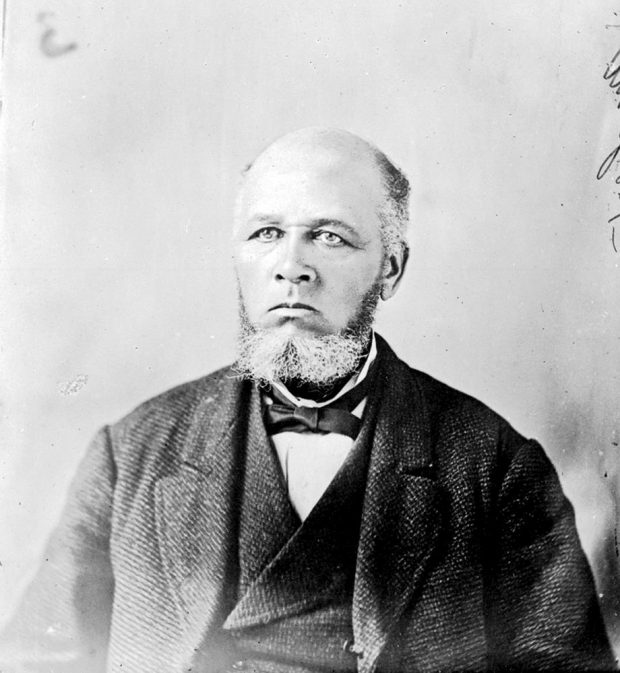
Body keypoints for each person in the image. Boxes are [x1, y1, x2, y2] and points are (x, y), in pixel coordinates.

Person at [0, 127, 615, 673]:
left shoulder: (497, 466)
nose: (291, 266)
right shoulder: (130, 452)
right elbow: (43, 658)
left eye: (330, 237)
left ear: (391, 270)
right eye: (266, 233)